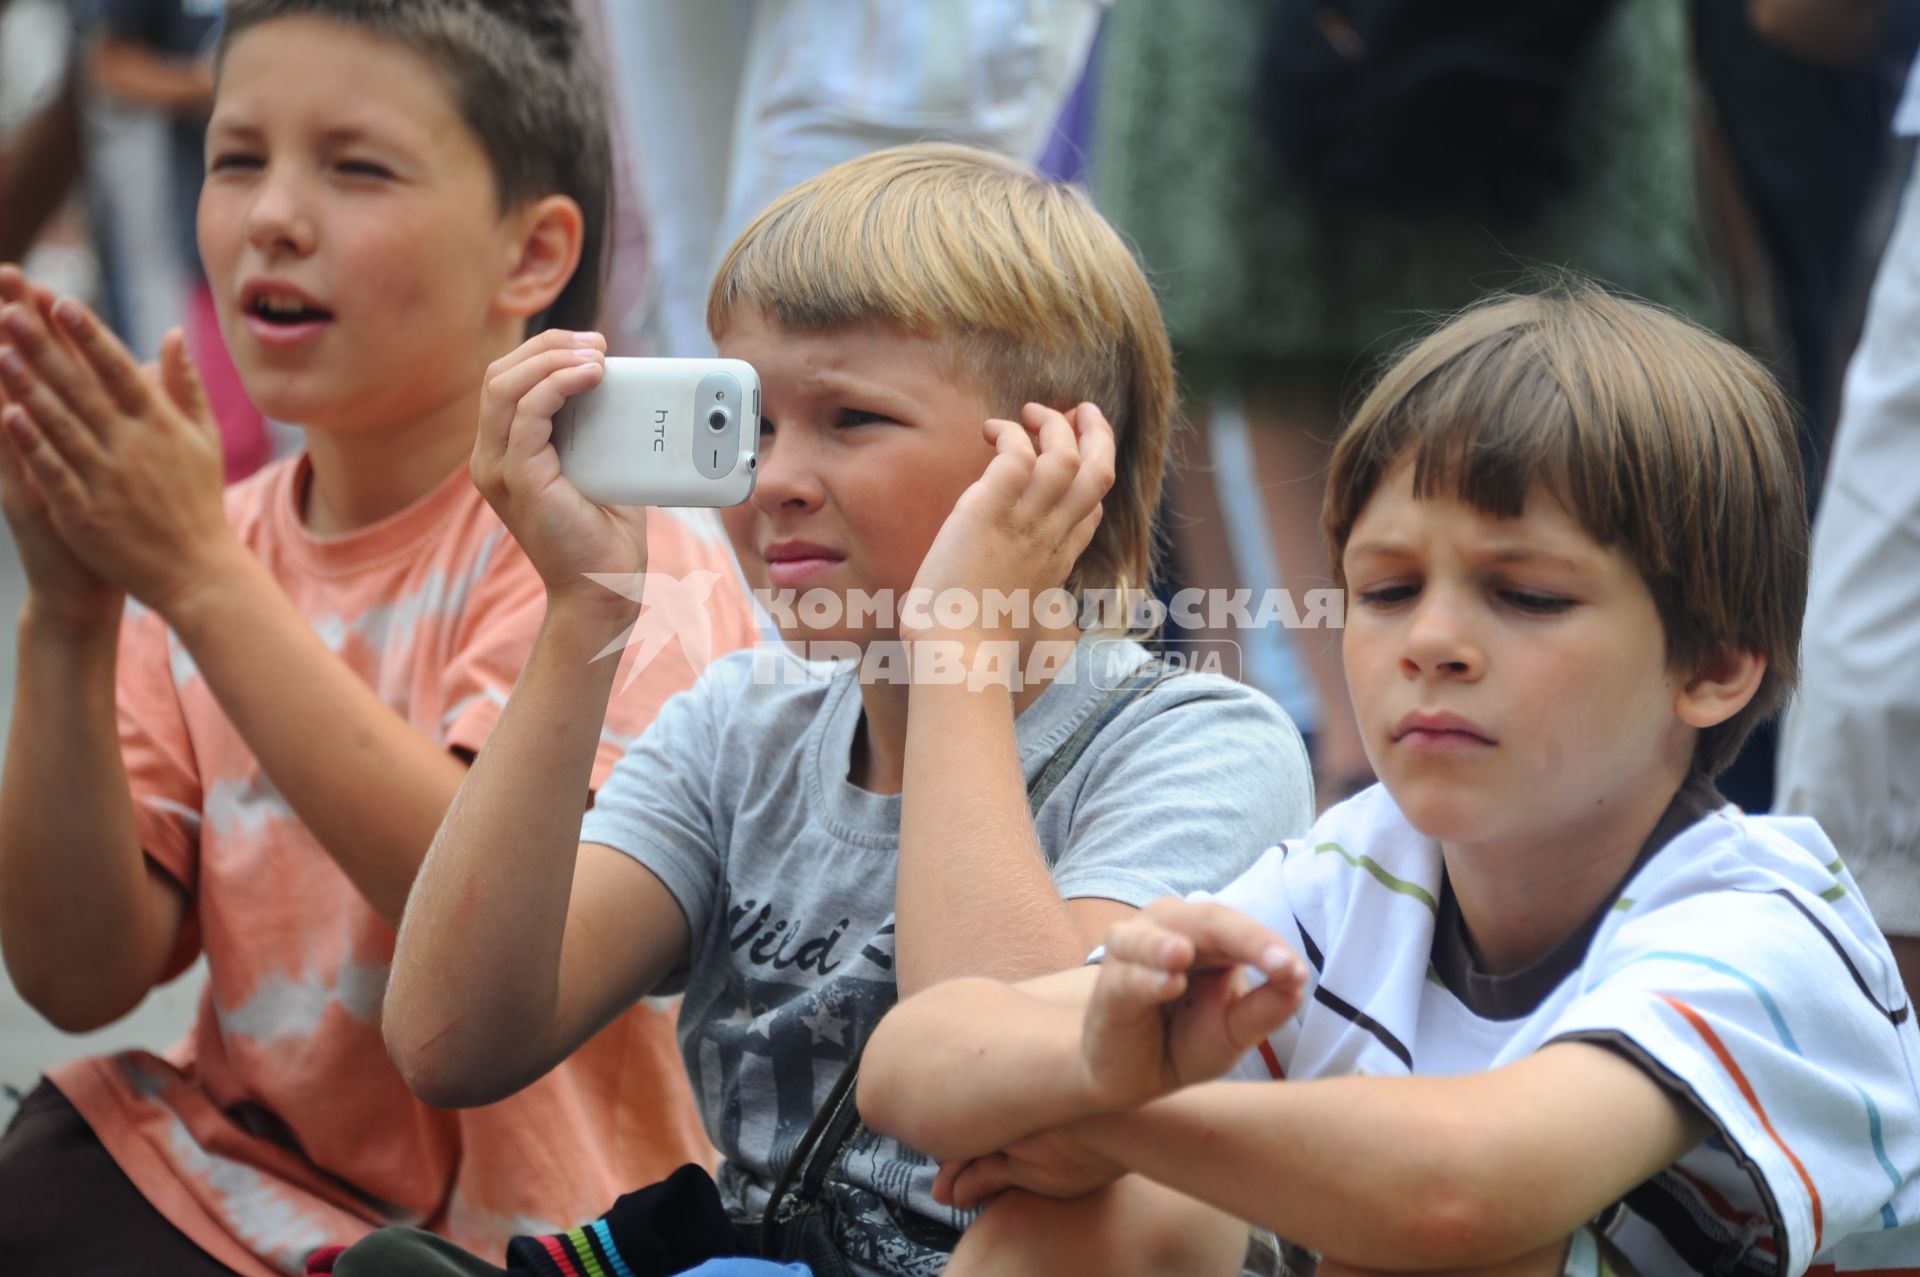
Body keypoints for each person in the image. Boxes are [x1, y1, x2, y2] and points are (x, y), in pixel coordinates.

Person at [334, 144, 1313, 1277]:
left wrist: (956, 652)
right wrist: (579, 617)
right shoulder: (740, 727)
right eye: (752, 425)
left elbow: (1021, 1106)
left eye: (850, 418)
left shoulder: (1198, 742)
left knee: (1114, 1218)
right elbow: (452, 1038)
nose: (775, 478)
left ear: (1054, 459)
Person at [858, 285, 1920, 1275]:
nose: (1435, 642)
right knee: (1084, 1218)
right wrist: (1099, 1069)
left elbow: (1459, 1188)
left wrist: (1097, 1106)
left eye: (1529, 594)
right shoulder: (1358, 866)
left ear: (1715, 665)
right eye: (1388, 588)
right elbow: (918, 1054)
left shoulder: (1764, 925)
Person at [0, 2, 758, 1273]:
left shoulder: (615, 562)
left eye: (355, 167)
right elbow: (79, 971)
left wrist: (190, 576)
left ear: (535, 252)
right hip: (250, 1181)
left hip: (542, 1236)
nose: (274, 216)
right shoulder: (219, 544)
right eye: (237, 158)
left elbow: (482, 959)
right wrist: (71, 613)